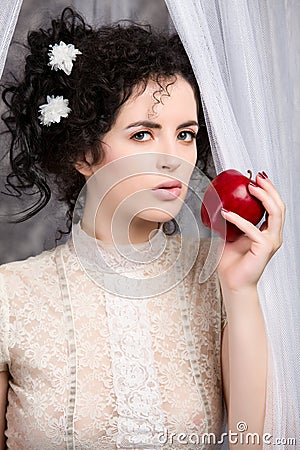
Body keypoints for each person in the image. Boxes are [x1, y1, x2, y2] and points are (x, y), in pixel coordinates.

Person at [0, 7, 286, 450]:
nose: (174, 157)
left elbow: (253, 444)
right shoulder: (10, 296)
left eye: (186, 134)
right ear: (82, 153)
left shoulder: (215, 285)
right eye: (142, 134)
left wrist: (240, 288)